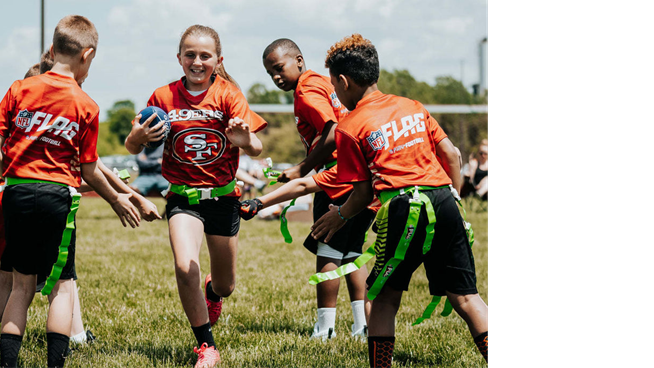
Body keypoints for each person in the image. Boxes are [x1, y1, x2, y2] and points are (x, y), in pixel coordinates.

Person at [309, 34, 488, 367]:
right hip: (443, 199)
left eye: (334, 85)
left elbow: (362, 194)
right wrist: (454, 195)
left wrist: (339, 216)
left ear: (344, 82)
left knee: (380, 299)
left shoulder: (350, 127)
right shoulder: (412, 106)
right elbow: (452, 153)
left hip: (404, 207)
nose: (335, 92)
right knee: (467, 296)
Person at [0, 15, 142, 368]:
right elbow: (89, 170)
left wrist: (15, 176)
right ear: (87, 55)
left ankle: (8, 364)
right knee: (64, 284)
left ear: (53, 49)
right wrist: (117, 199)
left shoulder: (19, 89)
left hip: (17, 193)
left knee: (21, 286)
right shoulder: (86, 105)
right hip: (59, 197)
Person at [124, 24, 267, 368]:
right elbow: (131, 145)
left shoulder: (229, 93)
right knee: (184, 265)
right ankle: (206, 346)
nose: (197, 61)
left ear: (218, 60)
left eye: (205, 55)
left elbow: (258, 149)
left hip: (223, 198)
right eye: (190, 54)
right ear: (179, 58)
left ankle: (213, 291)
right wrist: (137, 135)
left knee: (227, 285)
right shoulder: (162, 97)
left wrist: (244, 140)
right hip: (182, 199)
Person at [244, 38, 377, 341]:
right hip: (360, 176)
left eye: (279, 68)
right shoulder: (321, 81)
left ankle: (325, 328)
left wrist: (304, 167)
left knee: (327, 247)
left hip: (337, 177)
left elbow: (332, 130)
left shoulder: (305, 90)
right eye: (270, 73)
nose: (276, 77)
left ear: (299, 61)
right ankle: (362, 324)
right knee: (353, 252)